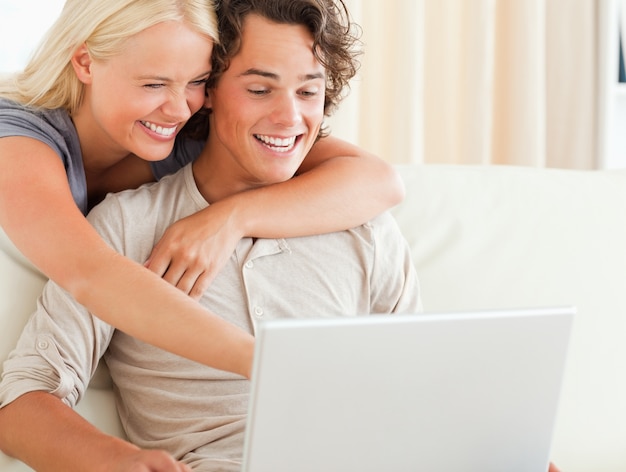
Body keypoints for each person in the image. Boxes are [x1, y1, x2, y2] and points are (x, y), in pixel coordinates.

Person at [0, 0, 421, 470]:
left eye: (193, 83)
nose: (178, 106)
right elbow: (91, 276)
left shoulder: (178, 133)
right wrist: (268, 361)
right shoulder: (89, 192)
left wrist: (231, 217)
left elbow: (382, 180)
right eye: (260, 88)